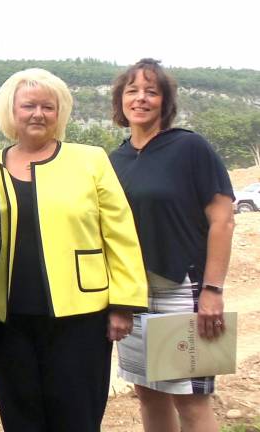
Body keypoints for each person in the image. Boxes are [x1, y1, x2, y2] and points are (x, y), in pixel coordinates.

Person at [0, 68, 148, 432]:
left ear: (61, 113)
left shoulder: (90, 160)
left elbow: (120, 233)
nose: (38, 114)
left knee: (77, 414)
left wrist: (123, 303)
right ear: (10, 111)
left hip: (81, 317)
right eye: (28, 105)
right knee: (20, 414)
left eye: (48, 106)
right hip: (7, 320)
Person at [110, 58, 235, 432]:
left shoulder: (189, 147)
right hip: (132, 293)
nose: (141, 98)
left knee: (191, 401)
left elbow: (223, 219)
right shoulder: (115, 159)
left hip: (182, 288)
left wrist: (212, 290)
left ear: (165, 102)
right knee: (148, 393)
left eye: (152, 91)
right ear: (120, 101)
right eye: (132, 91)